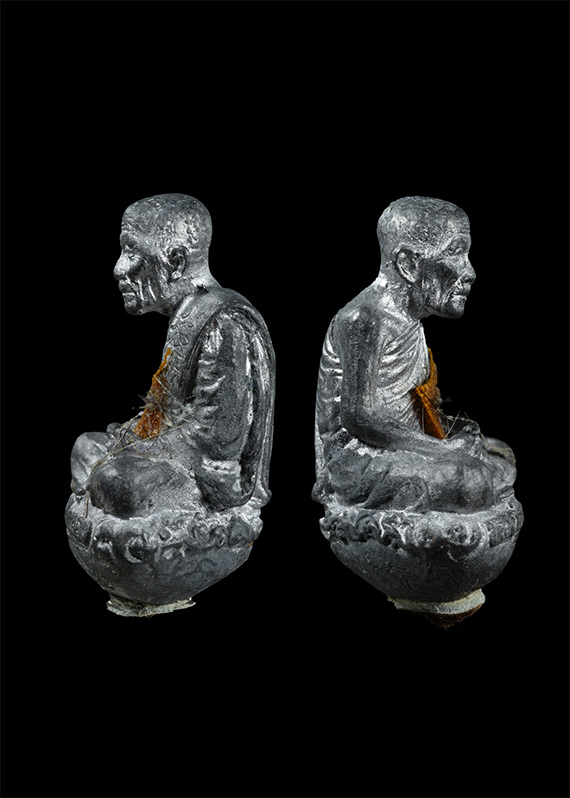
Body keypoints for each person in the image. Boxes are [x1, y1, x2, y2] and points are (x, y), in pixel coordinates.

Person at [70, 194, 275, 518]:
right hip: (168, 446)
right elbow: (165, 413)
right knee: (86, 447)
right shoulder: (188, 315)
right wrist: (133, 438)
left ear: (176, 262)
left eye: (131, 252)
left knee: (115, 481)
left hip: (207, 472)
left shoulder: (223, 322)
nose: (119, 269)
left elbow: (219, 441)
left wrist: (138, 446)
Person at [313, 196, 516, 514]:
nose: (470, 272)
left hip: (402, 442)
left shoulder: (410, 320)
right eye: (456, 253)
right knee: (473, 483)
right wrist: (440, 449)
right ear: (408, 264)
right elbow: (360, 418)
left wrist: (447, 434)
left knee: (499, 456)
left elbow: (413, 404)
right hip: (359, 457)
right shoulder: (363, 318)